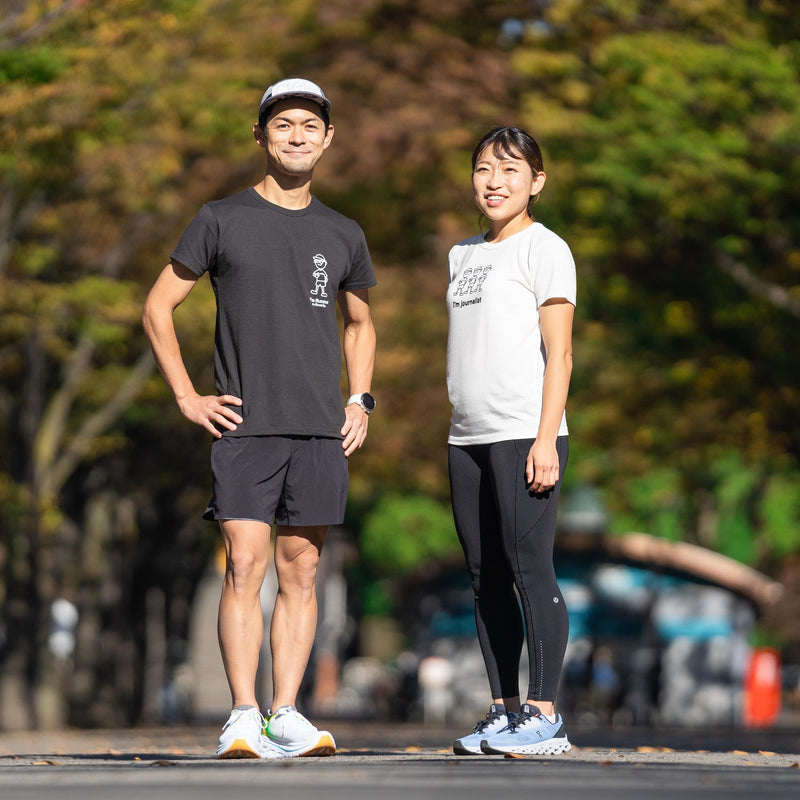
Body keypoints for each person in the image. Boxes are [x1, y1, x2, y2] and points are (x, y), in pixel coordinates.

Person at [142, 78, 377, 759]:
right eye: (283, 125)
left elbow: (360, 323)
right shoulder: (220, 219)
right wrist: (188, 396)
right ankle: (242, 712)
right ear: (261, 137)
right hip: (245, 426)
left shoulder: (343, 232)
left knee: (301, 570)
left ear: (328, 138)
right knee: (245, 561)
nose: (297, 135)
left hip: (319, 430)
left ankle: (285, 713)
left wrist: (360, 398)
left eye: (309, 125)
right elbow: (159, 307)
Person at [446, 126, 575, 756]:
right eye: (483, 170)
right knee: (484, 575)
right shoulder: (461, 253)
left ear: (536, 182)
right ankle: (504, 710)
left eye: (509, 171)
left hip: (526, 432)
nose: (494, 182)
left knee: (530, 570)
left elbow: (561, 354)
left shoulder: (546, 249)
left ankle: (546, 714)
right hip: (466, 436)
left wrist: (546, 439)